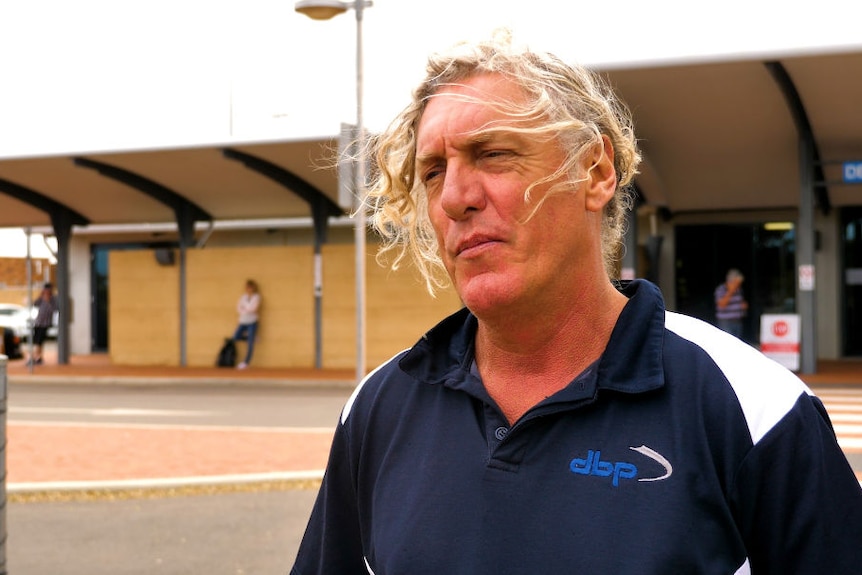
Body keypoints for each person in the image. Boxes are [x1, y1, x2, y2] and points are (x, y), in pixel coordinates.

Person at [291, 31, 862, 574]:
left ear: (596, 172)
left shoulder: (755, 408)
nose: (455, 198)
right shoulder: (378, 408)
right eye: (434, 171)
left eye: (493, 154)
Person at [27, 282, 58, 366]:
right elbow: (35, 304)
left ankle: (35, 357)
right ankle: (37, 357)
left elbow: (55, 309)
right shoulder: (41, 299)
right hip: (38, 322)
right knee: (36, 341)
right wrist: (41, 296)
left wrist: (48, 301)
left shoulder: (53, 299)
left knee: (39, 341)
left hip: (45, 324)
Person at [232, 279, 260, 369]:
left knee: (250, 344)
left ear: (254, 288)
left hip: (252, 322)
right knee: (235, 337)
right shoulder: (243, 297)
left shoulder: (256, 297)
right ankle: (251, 338)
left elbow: (254, 309)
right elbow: (238, 308)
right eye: (248, 287)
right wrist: (246, 309)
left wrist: (245, 309)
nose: (249, 289)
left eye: (251, 287)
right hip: (243, 321)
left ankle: (245, 362)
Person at [715, 268, 748, 339]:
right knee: (728, 342)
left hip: (737, 321)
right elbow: (721, 304)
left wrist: (742, 306)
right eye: (736, 280)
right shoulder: (721, 289)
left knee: (736, 342)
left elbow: (739, 302)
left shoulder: (739, 290)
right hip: (725, 322)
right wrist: (731, 290)